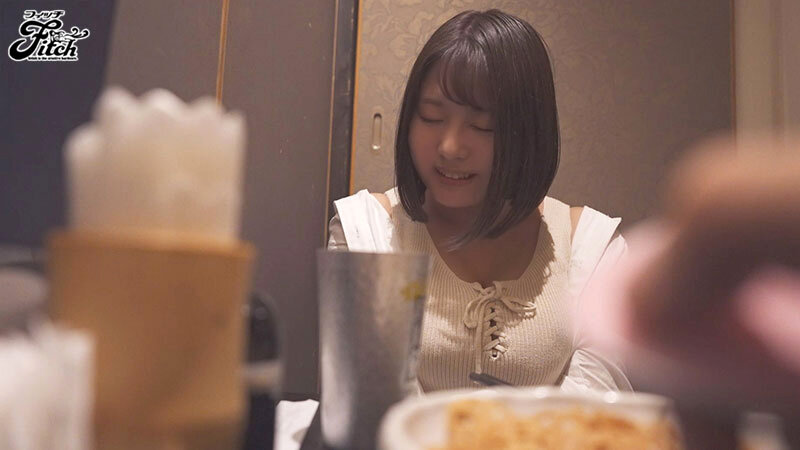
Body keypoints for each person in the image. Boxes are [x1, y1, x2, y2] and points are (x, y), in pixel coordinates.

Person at [328, 9, 631, 393]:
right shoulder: (365, 234)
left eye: (482, 125)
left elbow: (593, 410)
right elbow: (367, 406)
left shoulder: (591, 247)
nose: (450, 147)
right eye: (431, 117)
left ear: (528, 133)